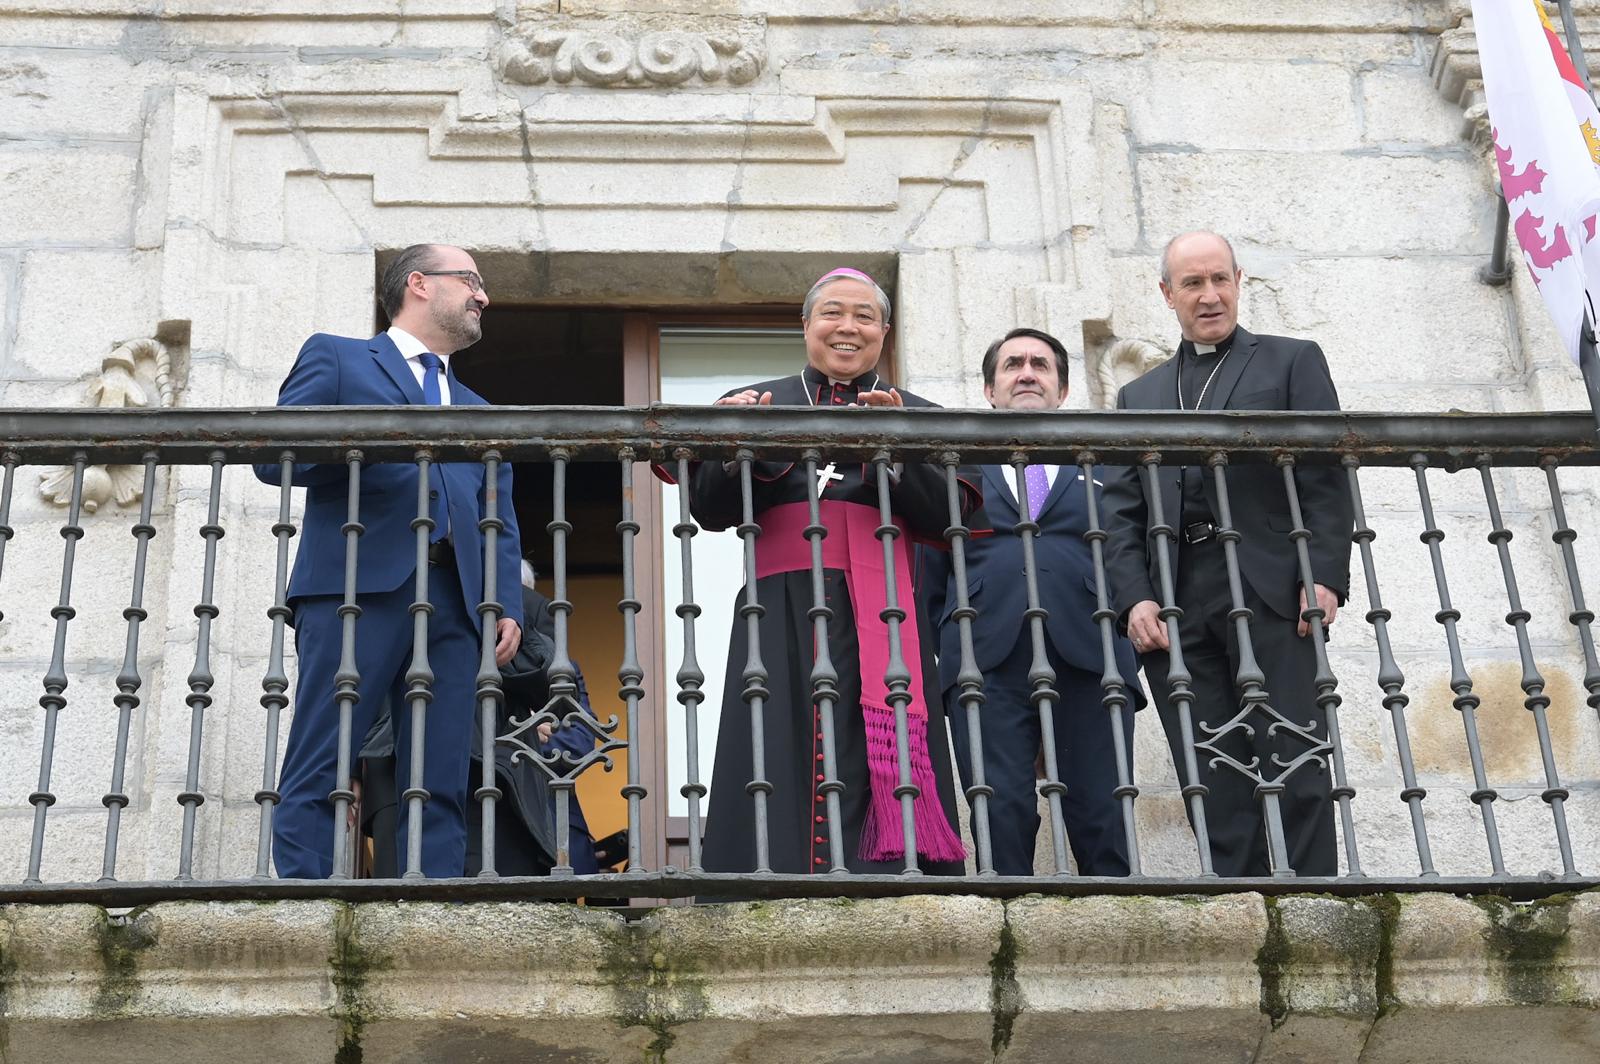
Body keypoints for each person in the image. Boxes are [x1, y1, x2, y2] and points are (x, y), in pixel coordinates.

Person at [667, 267, 983, 875]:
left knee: (875, 732)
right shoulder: (760, 402)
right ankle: (770, 871)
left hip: (885, 610)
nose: (848, 327)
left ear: (884, 332)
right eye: (833, 313)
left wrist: (896, 447)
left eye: (864, 316)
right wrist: (742, 449)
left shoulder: (919, 414)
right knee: (775, 735)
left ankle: (890, 872)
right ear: (806, 325)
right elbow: (708, 508)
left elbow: (951, 519)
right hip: (778, 605)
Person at [255, 243, 523, 879]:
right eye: (472, 281)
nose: (483, 296)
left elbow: (498, 513)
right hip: (356, 586)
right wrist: (373, 442)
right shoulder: (340, 357)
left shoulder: (482, 411)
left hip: (458, 600)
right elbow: (274, 457)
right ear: (420, 284)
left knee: (443, 765)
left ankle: (429, 900)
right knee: (327, 746)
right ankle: (305, 891)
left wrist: (505, 600)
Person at [1101, 231, 1353, 877]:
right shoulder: (1139, 397)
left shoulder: (1292, 361)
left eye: (1219, 279)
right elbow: (1121, 512)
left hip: (1271, 587)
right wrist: (1134, 597)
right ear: (1167, 295)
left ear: (1238, 281)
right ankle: (1243, 902)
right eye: (1192, 284)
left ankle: (1316, 900)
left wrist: (1322, 576)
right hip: (1179, 600)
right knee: (1210, 776)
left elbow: (1325, 477)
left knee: (1297, 758)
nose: (1209, 296)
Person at [920, 327, 1144, 876]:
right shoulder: (956, 467)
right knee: (1001, 810)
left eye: (1041, 365)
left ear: (1062, 390)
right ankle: (1004, 935)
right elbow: (928, 565)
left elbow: (1127, 544)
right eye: (1013, 365)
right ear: (990, 389)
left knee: (1101, 809)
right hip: (983, 656)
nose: (1026, 373)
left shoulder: (1101, 462)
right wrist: (939, 648)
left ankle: (1114, 934)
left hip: (1092, 652)